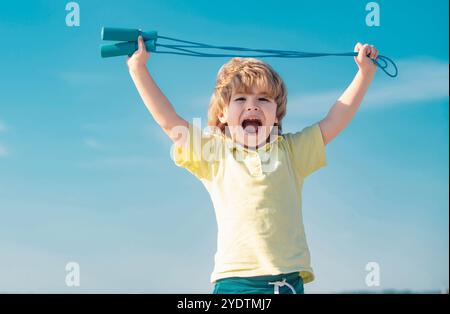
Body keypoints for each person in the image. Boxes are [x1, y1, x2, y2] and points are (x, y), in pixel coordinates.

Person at [127, 35, 379, 294]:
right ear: (222, 114)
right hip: (235, 282)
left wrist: (365, 74)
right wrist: (138, 68)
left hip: (288, 282)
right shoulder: (214, 154)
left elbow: (335, 119)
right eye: (240, 99)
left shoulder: (291, 152)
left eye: (263, 99)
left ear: (276, 115)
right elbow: (170, 122)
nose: (253, 106)